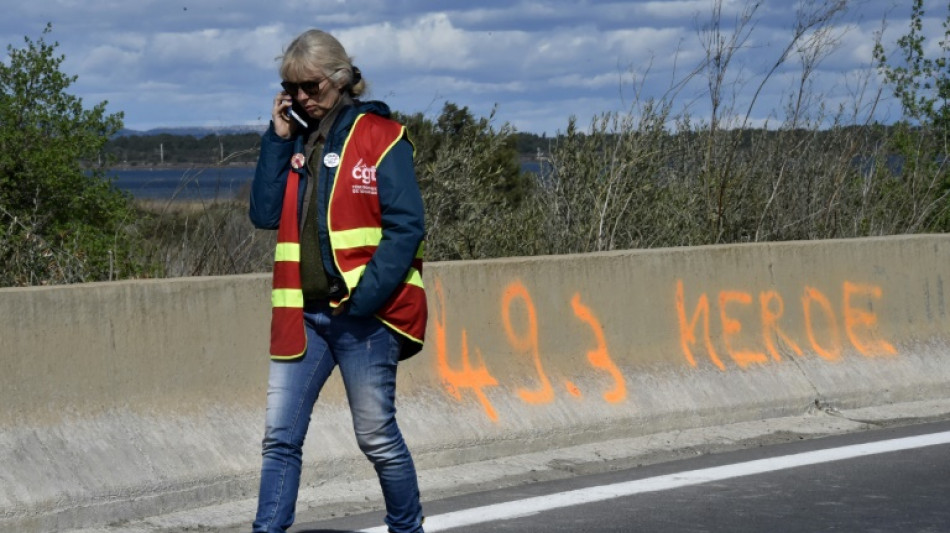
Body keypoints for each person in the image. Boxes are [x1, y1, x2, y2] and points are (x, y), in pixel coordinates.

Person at [248, 28, 427, 533]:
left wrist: (364, 299)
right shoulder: (295, 140)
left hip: (364, 317)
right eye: (291, 87)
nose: (301, 97)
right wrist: (276, 138)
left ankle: (407, 528)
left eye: (311, 86)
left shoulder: (382, 136)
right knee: (280, 439)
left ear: (341, 79)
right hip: (303, 317)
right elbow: (264, 214)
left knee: (376, 437)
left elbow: (407, 226)